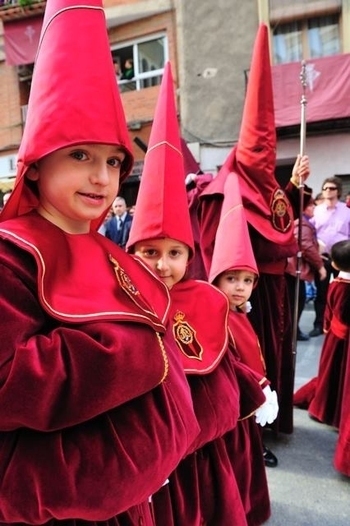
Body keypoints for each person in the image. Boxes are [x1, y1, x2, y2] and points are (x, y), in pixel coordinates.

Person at [0, 2, 200, 523]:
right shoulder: (11, 254)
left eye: (113, 161)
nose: (102, 178)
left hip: (133, 502)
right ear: (38, 165)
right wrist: (132, 347)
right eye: (80, 156)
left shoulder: (114, 254)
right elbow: (9, 379)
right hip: (62, 510)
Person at [127, 62, 269, 525]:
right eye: (149, 251)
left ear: (191, 256)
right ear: (132, 251)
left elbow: (226, 375)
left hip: (203, 451)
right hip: (150, 458)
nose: (163, 265)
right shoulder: (120, 301)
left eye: (174, 252)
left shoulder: (209, 300)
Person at [198, 24, 311, 436]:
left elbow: (279, 222)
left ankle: (275, 420)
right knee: (251, 359)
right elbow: (231, 244)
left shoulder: (267, 187)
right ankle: (252, 427)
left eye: (270, 152)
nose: (266, 158)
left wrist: (294, 188)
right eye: (259, 152)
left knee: (276, 353)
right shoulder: (223, 190)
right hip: (246, 292)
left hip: (276, 288)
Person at [209, 171, 279, 524]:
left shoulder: (241, 312)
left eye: (247, 281)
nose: (239, 287)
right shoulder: (214, 316)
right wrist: (259, 388)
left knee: (248, 460)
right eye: (231, 279)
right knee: (233, 464)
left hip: (249, 405)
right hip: (232, 409)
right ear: (216, 278)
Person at [294, 240, 350, 429]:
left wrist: (327, 326)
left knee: (331, 372)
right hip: (340, 336)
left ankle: (327, 408)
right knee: (339, 374)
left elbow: (331, 312)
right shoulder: (343, 284)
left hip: (336, 336)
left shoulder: (338, 284)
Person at [309, 176, 350, 337]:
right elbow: (311, 233)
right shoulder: (317, 211)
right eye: (325, 188)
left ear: (338, 191)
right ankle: (319, 324)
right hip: (324, 258)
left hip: (343, 258)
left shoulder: (346, 211)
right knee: (322, 292)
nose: (327, 191)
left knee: (344, 291)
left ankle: (342, 323)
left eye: (331, 188)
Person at [285, 192, 327, 341]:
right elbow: (305, 245)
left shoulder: (303, 222)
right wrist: (320, 265)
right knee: (297, 301)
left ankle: (293, 330)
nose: (314, 208)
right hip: (293, 270)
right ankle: (291, 332)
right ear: (305, 207)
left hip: (294, 268)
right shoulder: (302, 223)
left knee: (297, 300)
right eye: (312, 205)